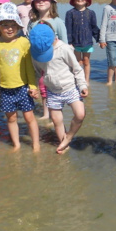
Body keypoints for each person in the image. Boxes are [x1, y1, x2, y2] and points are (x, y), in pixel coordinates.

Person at [0, 2, 40, 152]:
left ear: (18, 26)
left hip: (23, 87)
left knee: (29, 117)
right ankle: (16, 144)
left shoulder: (23, 42)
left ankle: (35, 144)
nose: (9, 28)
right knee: (11, 118)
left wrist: (33, 86)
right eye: (5, 25)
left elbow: (29, 67)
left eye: (13, 24)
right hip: (5, 89)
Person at [29, 22, 88, 154]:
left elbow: (77, 69)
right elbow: (37, 72)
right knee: (56, 120)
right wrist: (34, 87)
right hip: (52, 91)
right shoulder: (35, 53)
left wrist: (82, 85)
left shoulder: (64, 49)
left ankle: (69, 137)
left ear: (54, 38)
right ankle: (63, 143)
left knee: (80, 114)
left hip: (71, 87)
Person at [27, 0, 67, 119]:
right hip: (39, 62)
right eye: (38, 0)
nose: (41, 2)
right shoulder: (32, 23)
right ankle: (45, 113)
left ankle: (56, 112)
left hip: (56, 62)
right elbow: (29, 42)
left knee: (54, 87)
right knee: (42, 87)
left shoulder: (58, 22)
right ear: (33, 4)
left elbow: (65, 44)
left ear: (51, 2)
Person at [65, 0, 100, 84]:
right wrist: (69, 42)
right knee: (77, 62)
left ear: (87, 0)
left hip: (87, 42)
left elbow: (94, 27)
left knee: (86, 61)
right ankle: (78, 80)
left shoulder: (91, 13)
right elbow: (68, 28)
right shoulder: (70, 13)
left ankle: (86, 80)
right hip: (75, 43)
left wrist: (99, 39)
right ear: (74, 0)